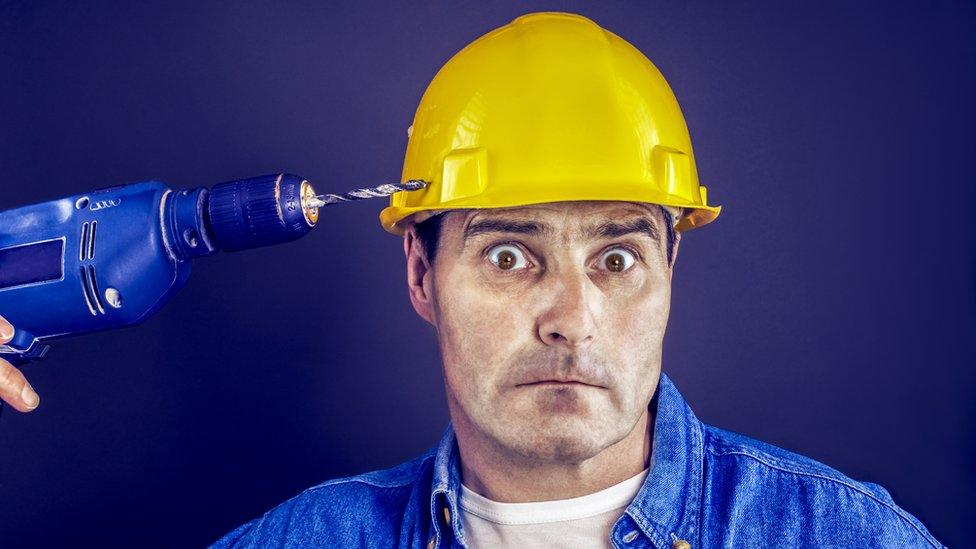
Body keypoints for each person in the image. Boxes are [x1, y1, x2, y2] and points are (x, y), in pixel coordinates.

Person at [0, 12, 943, 549]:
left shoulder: (838, 533)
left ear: (671, 271)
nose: (572, 317)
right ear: (421, 272)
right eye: (507, 254)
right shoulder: (310, 542)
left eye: (617, 257)